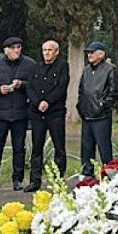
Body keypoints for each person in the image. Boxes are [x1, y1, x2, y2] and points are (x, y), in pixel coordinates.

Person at [0, 36, 36, 192]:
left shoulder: (29, 64)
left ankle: (17, 179)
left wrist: (22, 85)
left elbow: (36, 84)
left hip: (20, 113)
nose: (16, 50)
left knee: (19, 148)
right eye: (13, 48)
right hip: (0, 114)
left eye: (19, 47)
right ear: (5, 50)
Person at [25, 40, 69, 191]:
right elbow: (29, 87)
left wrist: (48, 102)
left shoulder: (62, 66)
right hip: (37, 113)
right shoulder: (35, 67)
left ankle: (58, 179)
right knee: (37, 148)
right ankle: (34, 180)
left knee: (59, 147)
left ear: (56, 52)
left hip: (55, 112)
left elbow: (61, 87)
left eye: (50, 50)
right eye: (44, 50)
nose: (47, 53)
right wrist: (38, 102)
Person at [78, 41, 118, 177]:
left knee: (104, 148)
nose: (89, 55)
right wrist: (80, 106)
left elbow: (114, 92)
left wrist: (104, 105)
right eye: (88, 52)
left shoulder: (110, 69)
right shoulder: (86, 70)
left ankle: (109, 175)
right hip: (86, 114)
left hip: (101, 116)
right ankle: (87, 175)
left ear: (101, 54)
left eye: (92, 52)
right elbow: (81, 90)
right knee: (86, 149)